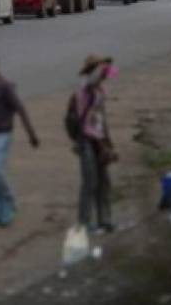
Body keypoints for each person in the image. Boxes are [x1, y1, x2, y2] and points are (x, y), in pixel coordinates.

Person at [0, 46, 39, 228]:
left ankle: (9, 204)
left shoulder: (3, 86)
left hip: (2, 135)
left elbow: (20, 109)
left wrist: (31, 134)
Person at [67, 55, 117, 234]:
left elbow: (101, 120)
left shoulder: (99, 92)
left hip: (98, 139)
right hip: (87, 140)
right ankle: (84, 223)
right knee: (90, 182)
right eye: (102, 71)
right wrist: (102, 144)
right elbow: (87, 125)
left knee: (104, 181)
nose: (105, 75)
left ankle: (105, 220)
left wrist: (108, 142)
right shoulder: (84, 89)